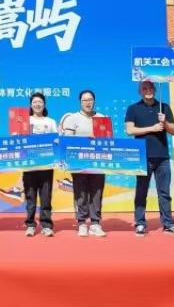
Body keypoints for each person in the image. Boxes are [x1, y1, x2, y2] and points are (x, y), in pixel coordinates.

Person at [125, 80, 174, 236]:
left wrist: (164, 122)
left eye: (150, 88)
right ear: (140, 91)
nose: (148, 90)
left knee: (164, 193)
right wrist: (152, 128)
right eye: (144, 88)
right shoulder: (133, 108)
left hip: (162, 157)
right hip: (142, 157)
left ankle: (168, 224)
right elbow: (130, 130)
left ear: (155, 89)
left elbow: (173, 131)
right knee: (141, 192)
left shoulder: (164, 107)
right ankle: (140, 223)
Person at [62, 90, 107, 237]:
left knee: (96, 192)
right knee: (80, 192)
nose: (88, 103)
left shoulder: (102, 118)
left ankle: (95, 223)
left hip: (98, 161)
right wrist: (85, 139)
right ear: (80, 102)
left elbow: (108, 139)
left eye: (90, 100)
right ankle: (81, 223)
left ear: (94, 101)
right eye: (84, 100)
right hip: (79, 161)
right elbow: (68, 140)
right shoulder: (73, 119)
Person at [23, 92, 58, 237]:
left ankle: (46, 225)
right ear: (31, 105)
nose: (37, 104)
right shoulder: (25, 121)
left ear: (44, 104)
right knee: (30, 196)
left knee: (46, 196)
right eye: (35, 102)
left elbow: (56, 141)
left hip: (46, 164)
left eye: (40, 102)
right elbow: (19, 140)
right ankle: (30, 224)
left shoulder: (51, 122)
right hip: (29, 163)